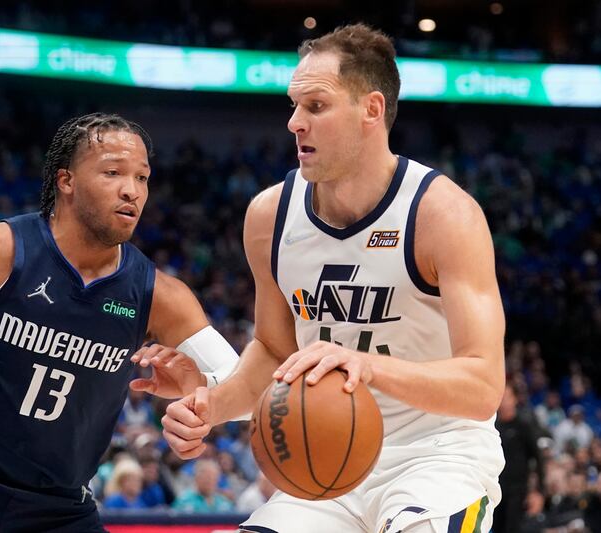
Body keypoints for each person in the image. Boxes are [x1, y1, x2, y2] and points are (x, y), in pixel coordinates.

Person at [162, 24, 506, 533]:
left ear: (371, 110)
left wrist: (365, 365)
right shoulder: (268, 216)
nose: (294, 123)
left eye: (315, 107)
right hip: (324, 465)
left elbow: (483, 386)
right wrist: (212, 405)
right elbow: (276, 352)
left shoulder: (443, 215)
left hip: (437, 457)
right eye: (293, 106)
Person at [0, 113, 240, 532]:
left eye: (143, 178)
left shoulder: (160, 295)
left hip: (57, 508)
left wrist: (203, 396)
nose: (132, 191)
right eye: (113, 172)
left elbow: (246, 388)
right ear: (66, 181)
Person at [493, 382, 544, 533]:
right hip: (497, 489)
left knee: (514, 528)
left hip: (518, 490)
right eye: (500, 396)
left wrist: (538, 491)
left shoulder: (524, 425)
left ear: (515, 398)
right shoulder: (493, 427)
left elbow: (538, 458)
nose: (503, 400)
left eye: (507, 396)